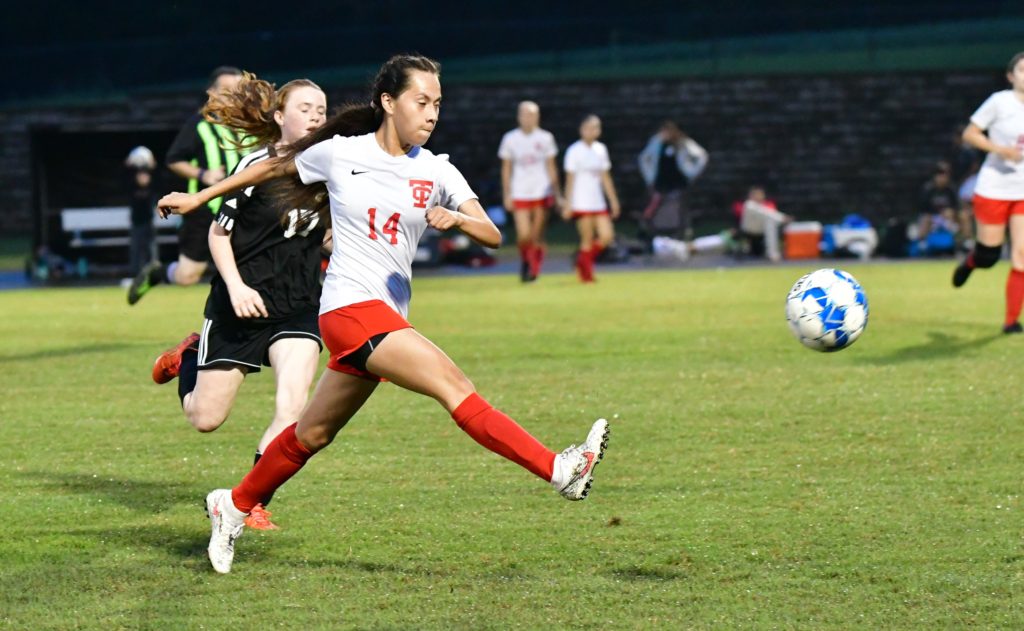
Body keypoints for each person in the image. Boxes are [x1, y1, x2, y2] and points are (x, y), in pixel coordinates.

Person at [158, 54, 610, 574]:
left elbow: (491, 232)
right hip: (350, 308)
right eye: (422, 101)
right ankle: (559, 470)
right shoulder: (340, 153)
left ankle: (233, 505)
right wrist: (200, 199)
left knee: (311, 435)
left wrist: (458, 219)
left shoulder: (436, 168)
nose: (432, 113)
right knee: (454, 387)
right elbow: (270, 167)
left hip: (383, 313)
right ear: (389, 102)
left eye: (437, 103)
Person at [151, 75, 329, 530]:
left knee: (292, 409)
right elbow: (219, 234)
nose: (316, 117)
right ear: (279, 116)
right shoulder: (255, 165)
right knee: (205, 418)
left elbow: (323, 234)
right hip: (241, 302)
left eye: (322, 110)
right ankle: (189, 356)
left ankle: (251, 502)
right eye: (305, 109)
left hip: (298, 304)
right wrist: (235, 287)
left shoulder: (331, 169)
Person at [127, 66, 245, 304]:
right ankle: (158, 272)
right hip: (204, 211)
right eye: (227, 90)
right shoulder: (200, 124)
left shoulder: (251, 124)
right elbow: (174, 160)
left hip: (244, 209)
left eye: (239, 90)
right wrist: (203, 174)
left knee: (249, 267)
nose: (234, 95)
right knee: (187, 275)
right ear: (212, 92)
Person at [951, 52, 1024, 334]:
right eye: (1022, 70)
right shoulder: (999, 102)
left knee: (1021, 254)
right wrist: (1000, 150)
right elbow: (970, 133)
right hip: (994, 187)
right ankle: (970, 263)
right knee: (989, 256)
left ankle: (1011, 321)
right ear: (1010, 76)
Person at [498, 101, 562, 282]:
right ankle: (526, 260)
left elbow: (551, 167)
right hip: (520, 191)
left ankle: (534, 268)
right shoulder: (510, 139)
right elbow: (506, 168)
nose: (529, 118)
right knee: (524, 235)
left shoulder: (546, 138)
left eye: (533, 114)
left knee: (536, 234)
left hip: (542, 191)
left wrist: (557, 192)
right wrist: (507, 194)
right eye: (525, 114)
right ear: (519, 117)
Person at [562, 114, 620, 282]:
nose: (591, 131)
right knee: (586, 239)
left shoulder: (601, 149)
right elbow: (570, 180)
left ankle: (581, 260)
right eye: (588, 128)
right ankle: (587, 275)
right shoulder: (574, 151)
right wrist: (568, 203)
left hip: (597, 201)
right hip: (581, 201)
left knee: (607, 236)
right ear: (581, 130)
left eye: (595, 128)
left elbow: (605, 177)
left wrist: (613, 200)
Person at [637, 120, 708, 241]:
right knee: (656, 207)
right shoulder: (656, 142)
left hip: (679, 181)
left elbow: (702, 155)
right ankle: (655, 233)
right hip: (660, 181)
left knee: (681, 208)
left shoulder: (683, 142)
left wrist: (692, 172)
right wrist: (649, 176)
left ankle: (682, 233)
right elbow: (644, 158)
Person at [126, 147, 158, 276]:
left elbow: (158, 179)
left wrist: (152, 166)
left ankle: (154, 274)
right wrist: (128, 165)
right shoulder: (131, 186)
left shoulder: (152, 187)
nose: (143, 178)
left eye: (145, 175)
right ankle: (135, 274)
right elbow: (123, 179)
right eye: (141, 175)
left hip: (149, 220)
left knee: (152, 249)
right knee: (136, 249)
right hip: (136, 221)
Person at [739, 186, 792, 262]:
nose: (760, 196)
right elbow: (765, 213)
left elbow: (769, 214)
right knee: (770, 221)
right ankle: (772, 254)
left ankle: (773, 253)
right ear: (751, 195)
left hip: (761, 231)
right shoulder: (749, 204)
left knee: (771, 223)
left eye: (761, 194)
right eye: (757, 194)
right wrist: (782, 218)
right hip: (749, 231)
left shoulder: (763, 205)